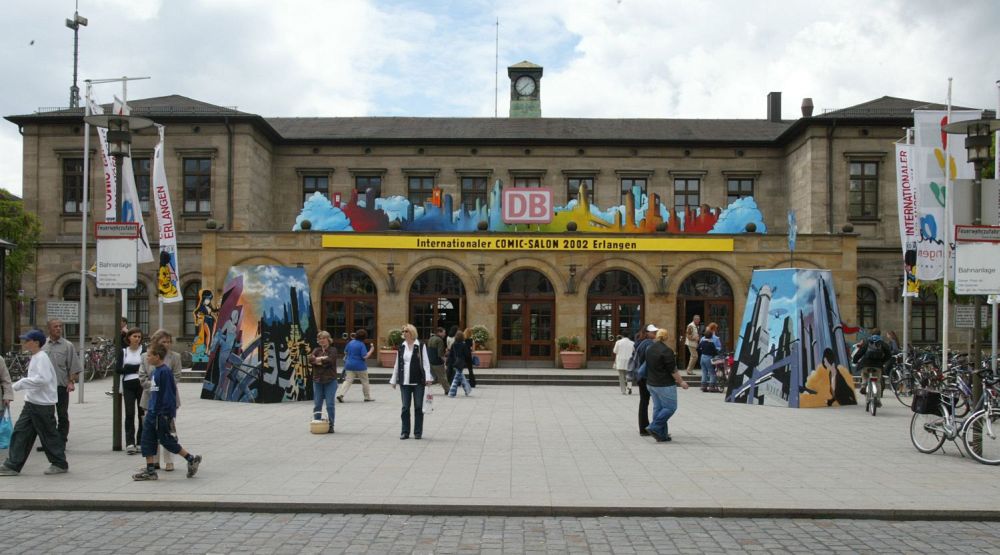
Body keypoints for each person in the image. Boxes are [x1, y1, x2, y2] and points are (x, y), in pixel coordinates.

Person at [0, 329, 68, 476]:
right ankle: (12, 465)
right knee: (20, 432)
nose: (24, 343)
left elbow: (43, 379)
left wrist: (21, 383)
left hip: (42, 404)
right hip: (32, 402)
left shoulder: (41, 358)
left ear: (36, 342)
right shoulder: (36, 357)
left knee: (48, 434)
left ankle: (59, 463)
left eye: (27, 340)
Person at [132, 343, 202, 481]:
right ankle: (150, 470)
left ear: (157, 357)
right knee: (146, 440)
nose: (147, 358)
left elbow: (169, 394)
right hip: (152, 411)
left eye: (150, 355)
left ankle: (191, 459)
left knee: (166, 440)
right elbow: (154, 392)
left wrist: (167, 414)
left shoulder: (164, 372)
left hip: (160, 413)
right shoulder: (155, 371)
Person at [139, 329, 183, 471]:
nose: (167, 344)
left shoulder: (175, 357)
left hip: (167, 399)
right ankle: (154, 461)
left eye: (169, 342)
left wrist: (162, 387)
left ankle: (169, 461)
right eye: (163, 342)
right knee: (150, 432)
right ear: (156, 342)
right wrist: (154, 387)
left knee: (167, 431)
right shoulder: (146, 356)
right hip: (149, 399)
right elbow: (142, 378)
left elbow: (176, 377)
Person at [40, 319, 82, 450]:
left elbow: (74, 366)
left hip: (61, 386)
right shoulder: (42, 345)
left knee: (62, 415)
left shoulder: (67, 346)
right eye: (55, 326)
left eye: (60, 326)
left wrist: (71, 382)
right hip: (45, 387)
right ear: (49, 329)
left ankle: (61, 441)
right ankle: (49, 442)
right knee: (47, 416)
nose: (58, 329)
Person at [644, 328, 690, 442]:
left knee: (658, 408)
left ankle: (661, 435)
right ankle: (654, 426)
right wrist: (681, 382)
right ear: (666, 337)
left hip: (651, 383)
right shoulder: (667, 351)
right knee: (670, 407)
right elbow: (673, 370)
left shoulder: (649, 348)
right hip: (664, 384)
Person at [390, 324, 434, 440]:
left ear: (412, 333)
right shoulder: (401, 346)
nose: (404, 333)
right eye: (403, 331)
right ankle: (405, 432)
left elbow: (426, 363)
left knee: (418, 407)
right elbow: (397, 364)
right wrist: (394, 379)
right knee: (405, 407)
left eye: (406, 331)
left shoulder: (420, 346)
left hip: (418, 381)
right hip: (404, 381)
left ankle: (418, 432)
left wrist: (428, 378)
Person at [118, 327, 146, 454]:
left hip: (141, 384)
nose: (137, 339)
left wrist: (129, 367)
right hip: (128, 384)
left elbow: (145, 367)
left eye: (139, 337)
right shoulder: (124, 352)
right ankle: (130, 442)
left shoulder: (144, 351)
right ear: (129, 337)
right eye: (135, 336)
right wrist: (133, 368)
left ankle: (140, 441)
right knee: (129, 413)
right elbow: (119, 369)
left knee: (142, 413)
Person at [628, 324, 658, 436]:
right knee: (655, 402)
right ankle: (651, 428)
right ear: (647, 333)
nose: (655, 334)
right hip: (647, 376)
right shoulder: (649, 344)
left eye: (655, 332)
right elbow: (651, 360)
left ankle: (643, 427)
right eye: (653, 332)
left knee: (644, 401)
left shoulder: (639, 342)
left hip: (640, 375)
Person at [853, 328, 892, 405]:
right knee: (877, 382)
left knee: (864, 374)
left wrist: (855, 360)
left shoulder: (867, 342)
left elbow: (860, 353)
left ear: (871, 334)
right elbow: (889, 355)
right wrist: (882, 361)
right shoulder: (882, 343)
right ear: (879, 334)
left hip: (866, 364)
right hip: (877, 365)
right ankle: (877, 399)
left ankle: (864, 386)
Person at [308, 331, 338, 432]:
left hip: (330, 380)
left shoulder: (333, 350)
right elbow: (310, 360)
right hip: (317, 380)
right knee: (317, 404)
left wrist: (318, 360)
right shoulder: (316, 350)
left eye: (324, 338)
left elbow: (330, 361)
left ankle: (331, 425)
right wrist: (321, 359)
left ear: (328, 339)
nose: (322, 340)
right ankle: (317, 423)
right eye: (320, 338)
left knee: (330, 404)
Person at [339, 329, 375, 402]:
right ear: (365, 337)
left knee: (348, 381)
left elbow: (345, 352)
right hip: (360, 366)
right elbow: (364, 356)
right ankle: (367, 397)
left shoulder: (350, 342)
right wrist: (371, 350)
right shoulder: (361, 344)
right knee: (365, 381)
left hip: (349, 364)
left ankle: (341, 395)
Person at [698, 323, 723, 393]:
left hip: (702, 357)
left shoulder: (703, 339)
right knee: (712, 372)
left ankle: (703, 386)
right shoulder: (715, 340)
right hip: (710, 357)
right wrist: (716, 353)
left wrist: (702, 350)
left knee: (704, 372)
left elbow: (698, 348)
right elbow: (717, 349)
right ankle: (712, 386)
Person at [447, 330, 473, 397]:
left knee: (460, 376)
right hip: (461, 362)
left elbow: (451, 354)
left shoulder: (453, 344)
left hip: (455, 362)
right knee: (457, 377)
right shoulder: (463, 345)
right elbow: (467, 354)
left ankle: (466, 390)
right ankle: (453, 392)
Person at [426, 327, 449, 394]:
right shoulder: (439, 340)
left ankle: (425, 385)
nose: (445, 334)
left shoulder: (431, 339)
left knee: (435, 377)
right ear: (439, 332)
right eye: (444, 332)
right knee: (443, 376)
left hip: (430, 361)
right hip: (437, 362)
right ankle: (448, 390)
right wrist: (445, 360)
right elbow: (440, 353)